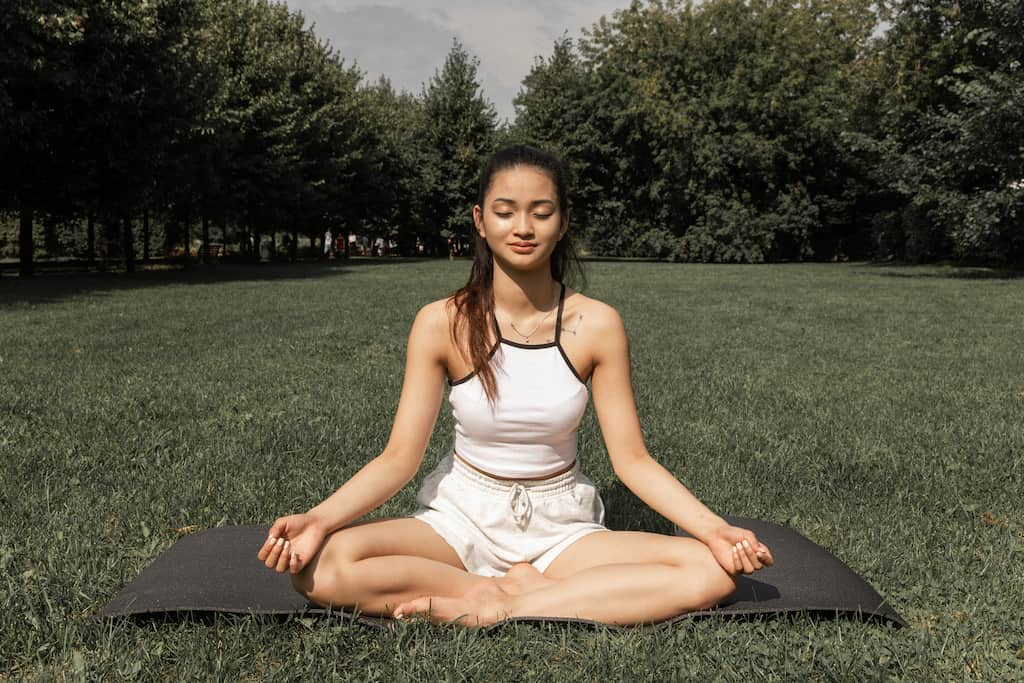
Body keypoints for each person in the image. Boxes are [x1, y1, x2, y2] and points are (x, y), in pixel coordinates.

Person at [257, 145, 774, 626]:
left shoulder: (597, 324)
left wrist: (713, 528)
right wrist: (318, 519)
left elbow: (632, 461)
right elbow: (398, 458)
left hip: (562, 525)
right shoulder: (443, 322)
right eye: (505, 211)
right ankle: (484, 588)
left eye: (541, 212)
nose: (523, 227)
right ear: (481, 221)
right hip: (461, 519)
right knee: (321, 568)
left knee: (711, 571)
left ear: (563, 222)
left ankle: (507, 604)